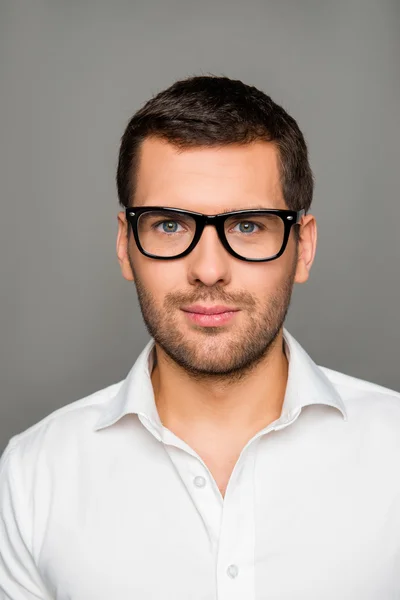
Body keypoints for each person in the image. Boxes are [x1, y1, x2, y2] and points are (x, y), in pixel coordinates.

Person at [1, 75, 399, 600]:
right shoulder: (32, 477)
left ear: (302, 248)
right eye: (169, 225)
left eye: (249, 226)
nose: (209, 270)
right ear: (125, 245)